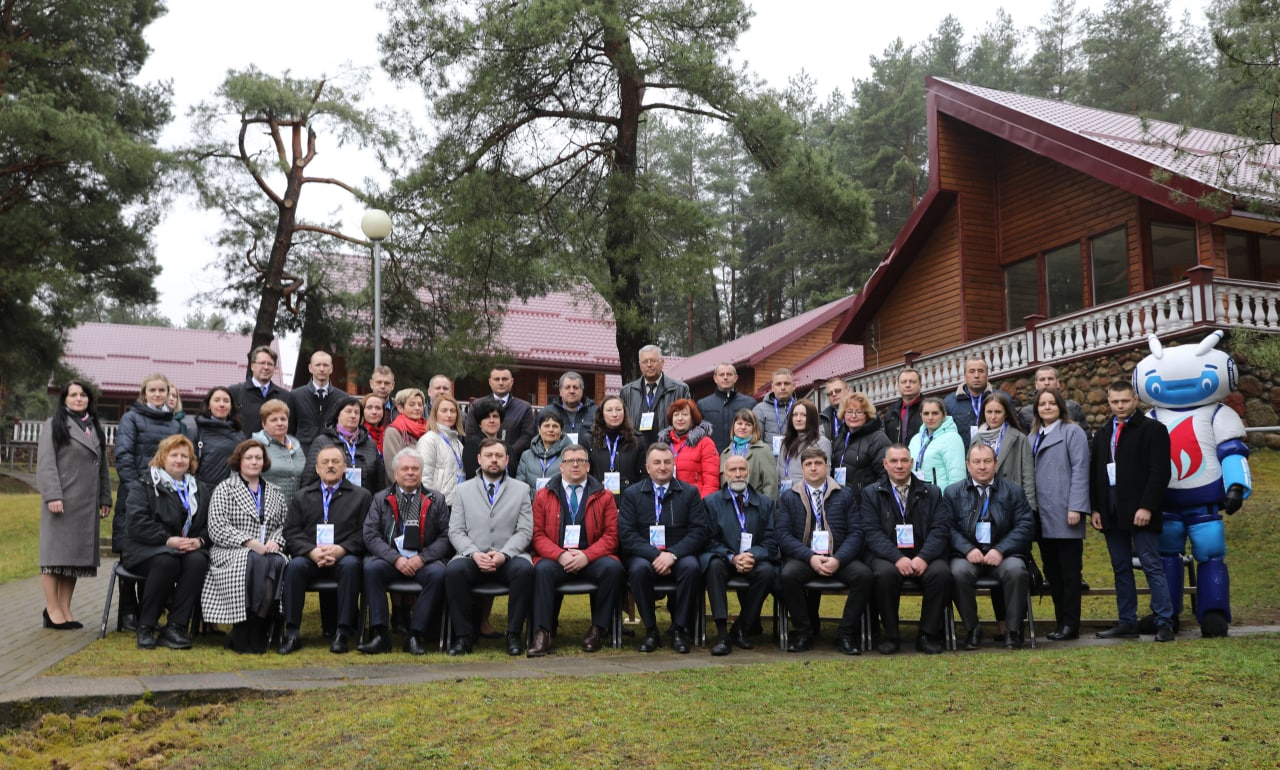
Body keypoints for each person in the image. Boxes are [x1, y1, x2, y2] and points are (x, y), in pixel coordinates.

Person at [1090, 381, 1174, 642]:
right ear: (1108, 402)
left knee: (1151, 564)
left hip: (1140, 509)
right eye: (1115, 402)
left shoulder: (1153, 430)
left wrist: (1147, 506)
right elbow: (1095, 473)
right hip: (1111, 509)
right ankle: (1127, 621)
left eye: (1125, 401)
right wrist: (1096, 509)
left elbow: (1160, 471)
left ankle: (1164, 621)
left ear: (1135, 400)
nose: (1120, 406)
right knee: (1120, 567)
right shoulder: (1103, 433)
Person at [527, 444, 624, 656]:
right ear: (561, 466)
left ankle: (597, 629)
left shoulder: (604, 496)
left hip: (591, 558)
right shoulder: (543, 495)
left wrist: (587, 556)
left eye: (581, 461)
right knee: (541, 570)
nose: (575, 465)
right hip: (556, 558)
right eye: (570, 461)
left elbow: (611, 536)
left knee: (613, 568)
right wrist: (560, 555)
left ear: (588, 466)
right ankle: (543, 632)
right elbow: (537, 536)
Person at [775, 447, 871, 655]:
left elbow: (856, 532)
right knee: (788, 575)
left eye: (818, 463)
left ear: (827, 467)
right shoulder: (789, 496)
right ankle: (804, 632)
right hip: (806, 557)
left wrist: (838, 559)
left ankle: (845, 635)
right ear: (802, 468)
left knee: (864, 576)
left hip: (838, 556)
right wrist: (810, 557)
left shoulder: (845, 494)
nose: (813, 468)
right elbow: (783, 535)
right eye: (808, 464)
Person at [617, 443, 711, 653]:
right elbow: (627, 534)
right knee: (638, 570)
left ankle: (678, 629)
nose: (662, 467)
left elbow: (699, 531)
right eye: (657, 462)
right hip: (644, 555)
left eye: (667, 462)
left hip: (679, 554)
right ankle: (651, 630)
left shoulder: (690, 493)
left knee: (692, 568)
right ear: (647, 467)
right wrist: (655, 555)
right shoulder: (632, 494)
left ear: (673, 465)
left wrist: (672, 554)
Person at [358, 448, 452, 656]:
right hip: (391, 559)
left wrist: (422, 558)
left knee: (438, 574)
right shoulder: (380, 498)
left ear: (421, 472)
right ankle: (380, 634)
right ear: (395, 473)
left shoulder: (436, 499)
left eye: (415, 469)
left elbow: (446, 537)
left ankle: (415, 635)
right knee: (372, 569)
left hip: (423, 560)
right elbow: (370, 535)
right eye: (405, 469)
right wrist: (395, 558)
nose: (410, 472)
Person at [445, 438, 535, 656]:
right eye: (488, 455)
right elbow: (456, 531)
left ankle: (513, 635)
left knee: (525, 570)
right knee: (453, 571)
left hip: (509, 557)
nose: (493, 460)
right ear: (479, 459)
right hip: (472, 557)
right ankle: (463, 637)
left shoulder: (522, 490)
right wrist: (474, 553)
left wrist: (504, 554)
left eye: (498, 456)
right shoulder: (462, 490)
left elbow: (525, 531)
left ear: (507, 460)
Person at [278, 446, 372, 655]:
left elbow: (365, 532)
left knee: (351, 566)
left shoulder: (361, 496)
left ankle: (342, 633)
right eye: (325, 462)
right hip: (311, 556)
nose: (330, 466)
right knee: (294, 567)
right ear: (317, 468)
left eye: (335, 462)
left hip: (344, 556)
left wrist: (342, 549)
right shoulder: (302, 496)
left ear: (345, 467)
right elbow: (291, 532)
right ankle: (292, 633)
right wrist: (311, 551)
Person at [861, 444, 953, 655]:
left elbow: (940, 529)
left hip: (923, 553)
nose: (899, 466)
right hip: (887, 556)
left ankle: (927, 634)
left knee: (941, 573)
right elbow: (871, 532)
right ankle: (891, 635)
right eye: (894, 461)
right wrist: (897, 558)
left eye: (904, 461)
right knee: (884, 575)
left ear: (912, 463)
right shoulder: (871, 493)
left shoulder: (932, 492)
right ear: (885, 464)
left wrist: (924, 557)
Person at [200, 440, 289, 654]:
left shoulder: (275, 491)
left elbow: (285, 525)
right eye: (249, 458)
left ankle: (259, 624)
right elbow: (216, 527)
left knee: (278, 561)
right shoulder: (225, 489)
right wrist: (249, 542)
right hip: (231, 551)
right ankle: (243, 626)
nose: (254, 462)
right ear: (239, 461)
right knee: (254, 559)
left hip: (268, 550)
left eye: (258, 458)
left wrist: (276, 541)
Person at [122, 434, 210, 650]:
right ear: (163, 457)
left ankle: (175, 627)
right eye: (174, 455)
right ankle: (146, 626)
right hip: (146, 549)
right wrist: (168, 540)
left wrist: (199, 541)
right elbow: (137, 523)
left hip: (185, 549)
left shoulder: (199, 489)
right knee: (167, 562)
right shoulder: (145, 484)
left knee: (198, 561)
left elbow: (210, 523)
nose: (180, 460)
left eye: (184, 456)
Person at [36, 380, 112, 630]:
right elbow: (46, 463)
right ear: (65, 399)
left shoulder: (94, 427)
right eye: (73, 395)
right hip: (61, 502)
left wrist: (105, 497)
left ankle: (65, 608)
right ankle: (52, 610)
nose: (79, 399)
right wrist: (52, 496)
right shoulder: (54, 424)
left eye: (83, 395)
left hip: (86, 505)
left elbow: (102, 467)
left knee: (74, 560)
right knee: (54, 557)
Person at [946, 443, 1035, 650]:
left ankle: (1012, 631)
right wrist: (967, 549)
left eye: (987, 461)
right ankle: (973, 629)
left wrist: (1000, 549)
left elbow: (1025, 526)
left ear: (996, 464)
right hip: (967, 555)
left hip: (1005, 554)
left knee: (1016, 571)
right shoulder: (952, 493)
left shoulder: (1014, 491)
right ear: (968, 465)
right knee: (957, 573)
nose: (982, 466)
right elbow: (946, 528)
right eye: (976, 462)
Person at [111, 372, 181, 632]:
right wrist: (137, 492)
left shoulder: (173, 424)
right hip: (135, 496)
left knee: (156, 551)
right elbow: (124, 455)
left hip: (163, 497)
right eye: (153, 390)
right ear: (144, 393)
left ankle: (147, 611)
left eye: (162, 390)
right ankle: (128, 611)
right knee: (130, 551)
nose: (158, 394)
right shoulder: (131, 418)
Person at [1030, 388, 1091, 641]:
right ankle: (1060, 622)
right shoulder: (1033, 436)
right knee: (1052, 573)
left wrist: (1076, 507)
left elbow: (1081, 470)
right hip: (1043, 515)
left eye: (1052, 403)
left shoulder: (1072, 432)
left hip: (1066, 512)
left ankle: (1070, 624)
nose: (1047, 408)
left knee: (1069, 572)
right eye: (1042, 404)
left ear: (1060, 406)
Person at [701, 454, 777, 655]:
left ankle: (741, 627)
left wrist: (752, 555)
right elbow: (708, 540)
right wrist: (732, 557)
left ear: (748, 473)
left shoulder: (765, 503)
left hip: (753, 560)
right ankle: (722, 634)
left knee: (768, 572)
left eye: (742, 469)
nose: (738, 474)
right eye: (732, 470)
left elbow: (771, 541)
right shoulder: (710, 503)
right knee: (713, 566)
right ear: (725, 474)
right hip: (724, 559)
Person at [301, 395, 382, 495]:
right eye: (348, 411)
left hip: (364, 501)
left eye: (357, 412)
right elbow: (309, 480)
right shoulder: (322, 441)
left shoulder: (370, 444)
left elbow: (379, 483)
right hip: (331, 500)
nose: (353, 416)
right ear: (337, 415)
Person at [971, 391, 1037, 511]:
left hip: (1012, 503)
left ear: (1006, 414)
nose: (993, 417)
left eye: (998, 412)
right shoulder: (976, 439)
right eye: (989, 412)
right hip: (983, 503)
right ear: (983, 413)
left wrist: (1029, 508)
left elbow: (1028, 477)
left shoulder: (1019, 438)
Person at [619, 345, 691, 444]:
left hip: (668, 448)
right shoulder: (627, 391)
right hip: (635, 448)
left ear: (662, 362)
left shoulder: (679, 390)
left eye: (653, 361)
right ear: (640, 365)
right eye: (645, 362)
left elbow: (688, 423)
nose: (649, 365)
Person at [462, 366, 537, 461]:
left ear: (512, 381)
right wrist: (488, 453)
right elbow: (470, 433)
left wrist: (506, 453)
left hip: (513, 461)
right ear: (490, 382)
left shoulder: (524, 408)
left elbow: (527, 436)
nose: (501, 383)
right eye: (497, 379)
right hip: (482, 461)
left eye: (504, 379)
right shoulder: (477, 405)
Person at [286, 351, 349, 455]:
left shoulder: (342, 398)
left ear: (331, 369)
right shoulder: (295, 396)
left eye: (325, 365)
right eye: (318, 365)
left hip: (331, 454)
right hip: (302, 454)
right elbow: (289, 430)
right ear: (310, 368)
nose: (322, 369)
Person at [831, 392, 890, 500]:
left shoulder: (878, 439)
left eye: (859, 412)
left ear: (867, 414)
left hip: (866, 502)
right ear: (843, 414)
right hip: (842, 502)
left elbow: (886, 475)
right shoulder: (839, 439)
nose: (853, 416)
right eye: (849, 412)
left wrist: (871, 498)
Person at [588, 395, 648, 496]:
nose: (614, 414)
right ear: (601, 414)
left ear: (624, 412)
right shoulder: (589, 439)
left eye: (618, 410)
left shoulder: (637, 440)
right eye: (609, 410)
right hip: (598, 497)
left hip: (629, 498)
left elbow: (643, 475)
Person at [252, 399, 306, 506]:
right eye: (274, 420)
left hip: (295, 510)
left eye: (283, 419)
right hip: (265, 509)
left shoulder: (297, 446)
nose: (280, 423)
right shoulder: (253, 446)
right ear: (264, 424)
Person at [661, 399, 720, 498]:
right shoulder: (664, 444)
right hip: (668, 501)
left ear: (693, 418)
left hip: (695, 502)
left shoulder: (705, 443)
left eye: (685, 414)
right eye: (676, 415)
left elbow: (711, 482)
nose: (680, 418)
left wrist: (703, 503)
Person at [416, 395, 466, 507]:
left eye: (452, 411)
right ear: (435, 414)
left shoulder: (458, 443)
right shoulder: (429, 440)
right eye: (444, 411)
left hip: (455, 505)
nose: (449, 415)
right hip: (436, 505)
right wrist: (430, 504)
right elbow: (424, 478)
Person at [227, 345, 287, 438]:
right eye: (262, 363)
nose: (266, 367)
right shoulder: (235, 392)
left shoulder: (285, 396)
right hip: (243, 446)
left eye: (270, 364)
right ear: (252, 366)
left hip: (274, 447)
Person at [719, 408, 778, 499]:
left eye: (748, 424)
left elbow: (771, 485)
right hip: (729, 505)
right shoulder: (725, 453)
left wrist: (766, 506)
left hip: (756, 505)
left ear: (754, 428)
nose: (743, 427)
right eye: (739, 423)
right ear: (734, 426)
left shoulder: (763, 450)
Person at [908, 397, 966, 488]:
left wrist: (952, 496)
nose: (930, 417)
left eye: (935, 413)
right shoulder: (915, 439)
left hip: (941, 495)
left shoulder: (952, 438)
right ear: (921, 416)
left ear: (944, 415)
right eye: (926, 413)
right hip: (918, 494)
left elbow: (957, 475)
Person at [697, 363, 756, 452]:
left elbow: (755, 432)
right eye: (721, 375)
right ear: (715, 378)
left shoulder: (749, 403)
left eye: (729, 374)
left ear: (736, 378)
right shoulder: (703, 405)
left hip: (742, 455)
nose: (725, 377)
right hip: (712, 455)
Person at [193, 387, 242, 489]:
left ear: (231, 406)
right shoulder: (196, 432)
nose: (222, 404)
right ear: (208, 406)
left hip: (230, 492)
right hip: (200, 492)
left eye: (226, 401)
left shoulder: (240, 436)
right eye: (217, 400)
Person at [776, 400, 831, 490]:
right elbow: (778, 475)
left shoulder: (822, 443)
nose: (798, 419)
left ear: (812, 418)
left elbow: (824, 477)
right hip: (785, 495)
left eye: (803, 415)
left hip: (807, 495)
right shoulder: (786, 442)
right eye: (795, 415)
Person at [516, 411, 572, 499]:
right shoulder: (526, 456)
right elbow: (520, 485)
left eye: (555, 426)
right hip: (531, 504)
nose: (551, 430)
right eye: (546, 426)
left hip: (559, 504)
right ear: (539, 429)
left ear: (561, 430)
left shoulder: (569, 455)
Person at [1017, 366, 1088, 433]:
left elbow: (1086, 436)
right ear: (1036, 385)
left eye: (1050, 379)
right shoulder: (1025, 413)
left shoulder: (1073, 408)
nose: (1046, 383)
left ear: (1057, 383)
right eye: (1042, 380)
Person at [944, 357, 994, 443]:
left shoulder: (1001, 399)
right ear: (965, 376)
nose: (976, 375)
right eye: (972, 371)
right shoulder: (949, 403)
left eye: (981, 371)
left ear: (987, 375)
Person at [462, 398, 514, 479]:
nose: (492, 420)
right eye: (487, 417)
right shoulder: (472, 445)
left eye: (495, 416)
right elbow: (473, 475)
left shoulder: (508, 448)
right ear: (480, 423)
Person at [541, 371, 598, 445]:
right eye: (567, 387)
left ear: (582, 390)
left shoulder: (595, 413)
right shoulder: (546, 412)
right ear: (560, 391)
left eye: (575, 387)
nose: (571, 391)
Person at [382, 388, 429, 471]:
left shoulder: (429, 429)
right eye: (412, 405)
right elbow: (392, 466)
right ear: (400, 408)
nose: (417, 408)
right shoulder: (393, 432)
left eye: (420, 404)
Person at [753, 368, 797, 454]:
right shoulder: (760, 410)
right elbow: (756, 442)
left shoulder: (803, 409)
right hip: (769, 460)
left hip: (795, 459)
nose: (783, 387)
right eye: (778, 384)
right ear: (772, 387)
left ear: (793, 386)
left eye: (786, 383)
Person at [882, 368, 925, 445]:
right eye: (904, 382)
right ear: (898, 386)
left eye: (912, 382)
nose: (907, 385)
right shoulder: (891, 413)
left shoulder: (928, 409)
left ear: (920, 385)